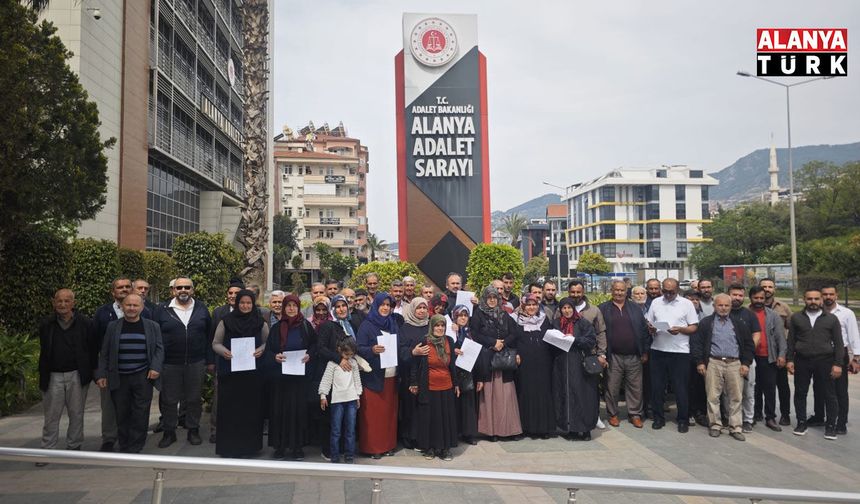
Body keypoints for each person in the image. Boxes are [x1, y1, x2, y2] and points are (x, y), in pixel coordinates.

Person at [96, 293, 163, 454]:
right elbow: (104, 352)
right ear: (123, 306)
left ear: (141, 307)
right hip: (119, 376)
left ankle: (136, 445)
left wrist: (155, 367)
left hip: (143, 376)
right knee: (122, 411)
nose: (132, 308)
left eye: (135, 305)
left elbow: (159, 349)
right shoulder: (113, 327)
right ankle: (124, 444)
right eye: (128, 305)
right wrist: (101, 374)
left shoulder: (152, 326)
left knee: (140, 412)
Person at [37, 289, 97, 463]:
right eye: (59, 301)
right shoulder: (46, 324)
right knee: (51, 415)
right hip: (53, 375)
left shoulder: (85, 323)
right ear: (53, 303)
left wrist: (92, 372)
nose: (62, 304)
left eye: (66, 301)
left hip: (77, 375)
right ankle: (47, 450)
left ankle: (74, 447)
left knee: (76, 413)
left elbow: (92, 349)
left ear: (73, 303)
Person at [153, 277, 211, 448]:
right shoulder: (162, 310)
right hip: (170, 364)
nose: (183, 290)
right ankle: (169, 432)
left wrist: (208, 360)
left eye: (187, 287)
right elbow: (155, 338)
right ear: (173, 291)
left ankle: (193, 429)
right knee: (169, 400)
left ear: (192, 290)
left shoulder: (201, 309)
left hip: (196, 362)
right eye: (179, 288)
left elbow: (209, 335)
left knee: (194, 399)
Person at [93, 277, 148, 452]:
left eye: (127, 286)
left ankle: (134, 442)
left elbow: (155, 344)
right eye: (119, 287)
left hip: (140, 372)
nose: (123, 289)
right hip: (113, 371)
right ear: (113, 292)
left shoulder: (146, 314)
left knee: (137, 409)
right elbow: (98, 346)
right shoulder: (103, 314)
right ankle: (110, 439)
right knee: (112, 408)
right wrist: (100, 372)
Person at [212, 289, 268, 457]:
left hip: (252, 376)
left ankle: (250, 447)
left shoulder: (260, 322)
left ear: (253, 304)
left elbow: (268, 342)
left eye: (248, 303)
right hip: (231, 375)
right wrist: (224, 352)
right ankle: (229, 447)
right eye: (242, 303)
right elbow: (215, 343)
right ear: (237, 303)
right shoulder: (226, 321)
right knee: (231, 411)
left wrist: (261, 349)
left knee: (250, 411)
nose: (245, 306)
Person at [692, 294, 755, 442]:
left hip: (734, 363)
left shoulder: (738, 324)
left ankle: (736, 427)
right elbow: (697, 344)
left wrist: (746, 363)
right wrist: (700, 362)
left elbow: (748, 345)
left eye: (727, 305)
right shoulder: (707, 323)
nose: (723, 308)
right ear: (714, 306)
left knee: (736, 397)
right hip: (714, 363)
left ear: (730, 306)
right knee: (713, 396)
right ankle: (715, 425)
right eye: (720, 305)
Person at [787, 287, 844, 439]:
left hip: (825, 361)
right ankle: (801, 423)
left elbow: (839, 344)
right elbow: (791, 341)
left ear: (821, 300)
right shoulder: (796, 317)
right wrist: (790, 360)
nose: (813, 302)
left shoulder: (831, 319)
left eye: (816, 299)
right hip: (802, 360)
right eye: (809, 299)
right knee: (800, 392)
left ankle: (831, 426)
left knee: (829, 394)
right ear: (804, 299)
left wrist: (838, 364)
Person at [645, 278, 700, 432]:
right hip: (658, 350)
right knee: (657, 387)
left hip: (679, 352)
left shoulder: (686, 304)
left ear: (678, 290)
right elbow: (649, 322)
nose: (668, 295)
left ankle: (683, 419)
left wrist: (680, 330)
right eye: (666, 291)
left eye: (672, 292)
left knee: (680, 387)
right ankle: (658, 418)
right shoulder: (656, 302)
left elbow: (694, 327)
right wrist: (652, 328)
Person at [268, 294, 316, 460]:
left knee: (298, 412)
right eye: (287, 305)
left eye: (294, 306)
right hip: (281, 379)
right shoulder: (276, 328)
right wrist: (274, 357)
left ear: (298, 307)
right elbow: (268, 350)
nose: (291, 308)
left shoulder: (305, 326)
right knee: (280, 411)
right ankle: (280, 447)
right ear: (283, 308)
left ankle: (297, 447)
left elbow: (314, 345)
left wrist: (309, 355)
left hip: (299, 378)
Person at [471, 286, 522, 441]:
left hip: (504, 361)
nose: (492, 300)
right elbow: (475, 333)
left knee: (506, 396)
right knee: (490, 396)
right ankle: (492, 431)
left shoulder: (505, 315)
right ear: (484, 298)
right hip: (487, 360)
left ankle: (508, 430)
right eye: (489, 297)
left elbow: (515, 333)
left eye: (495, 297)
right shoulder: (478, 314)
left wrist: (503, 343)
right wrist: (493, 342)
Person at [598, 280, 650, 428]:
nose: (619, 293)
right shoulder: (603, 308)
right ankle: (613, 414)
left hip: (634, 355)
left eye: (622, 290)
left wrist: (645, 351)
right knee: (611, 387)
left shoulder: (635, 308)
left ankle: (635, 414)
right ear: (611, 291)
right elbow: (599, 332)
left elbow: (644, 331)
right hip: (613, 355)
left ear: (627, 291)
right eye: (616, 290)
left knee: (635, 387)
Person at [315, 294, 360, 460]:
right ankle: (329, 450)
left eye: (344, 306)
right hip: (333, 374)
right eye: (338, 306)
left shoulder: (351, 324)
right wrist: (339, 359)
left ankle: (345, 450)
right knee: (332, 418)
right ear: (333, 309)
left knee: (347, 420)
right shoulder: (328, 326)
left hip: (349, 377)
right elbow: (321, 348)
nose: (341, 309)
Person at [409, 314, 459, 461]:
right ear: (432, 326)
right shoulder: (424, 341)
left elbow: (452, 366)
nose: (440, 328)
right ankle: (429, 448)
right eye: (437, 325)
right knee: (430, 419)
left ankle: (444, 449)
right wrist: (414, 382)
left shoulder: (449, 341)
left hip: (446, 386)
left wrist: (456, 384)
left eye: (442, 325)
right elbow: (415, 364)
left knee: (445, 418)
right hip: (429, 386)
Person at [356, 292, 400, 459]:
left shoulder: (393, 324)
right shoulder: (367, 325)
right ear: (376, 305)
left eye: (388, 305)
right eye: (382, 304)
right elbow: (359, 347)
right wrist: (372, 350)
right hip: (374, 378)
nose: (385, 308)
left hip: (391, 376)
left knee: (389, 415)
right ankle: (373, 448)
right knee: (373, 416)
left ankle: (388, 445)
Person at [551, 298, 599, 440]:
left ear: (574, 308)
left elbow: (591, 340)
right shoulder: (556, 323)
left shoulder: (583, 323)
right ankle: (570, 428)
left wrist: (574, 339)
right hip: (562, 365)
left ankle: (585, 429)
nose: (567, 311)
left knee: (582, 396)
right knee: (565, 396)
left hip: (579, 365)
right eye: (564, 308)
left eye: (569, 308)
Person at [510, 294, 555, 438]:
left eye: (534, 305)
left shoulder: (543, 319)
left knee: (543, 393)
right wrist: (515, 353)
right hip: (524, 364)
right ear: (523, 305)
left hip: (543, 362)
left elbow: (551, 337)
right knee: (525, 393)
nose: (531, 307)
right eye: (528, 305)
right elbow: (511, 340)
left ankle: (544, 428)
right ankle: (526, 427)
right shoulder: (515, 320)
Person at [208, 279, 245, 444]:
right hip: (223, 361)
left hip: (245, 363)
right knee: (219, 397)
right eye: (230, 293)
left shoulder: (252, 311)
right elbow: (211, 338)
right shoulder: (218, 313)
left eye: (236, 293)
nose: (232, 296)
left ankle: (237, 428)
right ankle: (216, 430)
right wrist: (211, 361)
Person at [820, 284, 860, 435]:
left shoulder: (846, 313)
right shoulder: (817, 312)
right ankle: (824, 417)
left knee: (840, 390)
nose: (828, 297)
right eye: (825, 294)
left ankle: (841, 422)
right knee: (822, 388)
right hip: (821, 354)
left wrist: (856, 358)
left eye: (831, 294)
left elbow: (854, 336)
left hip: (839, 353)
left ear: (836, 295)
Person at [748, 286, 787, 432]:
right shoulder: (745, 313)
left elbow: (780, 337)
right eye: (756, 298)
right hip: (750, 357)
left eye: (761, 298)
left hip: (768, 357)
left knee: (769, 388)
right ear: (750, 298)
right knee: (753, 387)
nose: (759, 301)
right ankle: (755, 413)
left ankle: (770, 416)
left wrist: (782, 354)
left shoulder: (773, 315)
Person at [319, 338, 363, 464]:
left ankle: (349, 456)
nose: (349, 357)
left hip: (351, 400)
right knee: (336, 430)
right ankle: (335, 456)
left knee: (350, 430)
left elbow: (356, 380)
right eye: (346, 354)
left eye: (351, 354)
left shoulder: (353, 363)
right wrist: (323, 395)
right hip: (337, 400)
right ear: (339, 351)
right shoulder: (332, 364)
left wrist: (358, 396)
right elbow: (326, 380)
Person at [726, 283, 762, 433]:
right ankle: (731, 418)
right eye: (734, 295)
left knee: (748, 391)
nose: (737, 298)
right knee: (728, 392)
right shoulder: (722, 312)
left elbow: (757, 334)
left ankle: (748, 419)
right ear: (728, 294)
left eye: (740, 295)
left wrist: (747, 352)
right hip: (727, 359)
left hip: (746, 359)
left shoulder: (749, 315)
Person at [397, 297, 431, 450]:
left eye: (424, 308)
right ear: (412, 309)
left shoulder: (431, 325)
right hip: (409, 374)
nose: (422, 311)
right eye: (419, 308)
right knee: (410, 406)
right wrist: (413, 351)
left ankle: (423, 436)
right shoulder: (405, 328)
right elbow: (400, 350)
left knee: (424, 407)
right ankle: (409, 437)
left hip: (428, 374)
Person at [759, 277, 793, 426]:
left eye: (770, 287)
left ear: (774, 289)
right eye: (764, 287)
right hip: (761, 353)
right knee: (759, 386)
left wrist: (788, 354)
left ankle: (785, 414)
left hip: (780, 353)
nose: (767, 289)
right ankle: (758, 412)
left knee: (782, 385)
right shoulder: (752, 308)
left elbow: (792, 330)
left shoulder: (783, 308)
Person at [450, 304, 480, 445]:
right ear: (454, 316)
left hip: (468, 370)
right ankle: (455, 433)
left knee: (468, 403)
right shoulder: (449, 330)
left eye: (465, 315)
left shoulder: (471, 332)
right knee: (454, 402)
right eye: (460, 315)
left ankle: (469, 433)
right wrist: (453, 349)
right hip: (453, 371)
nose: (462, 318)